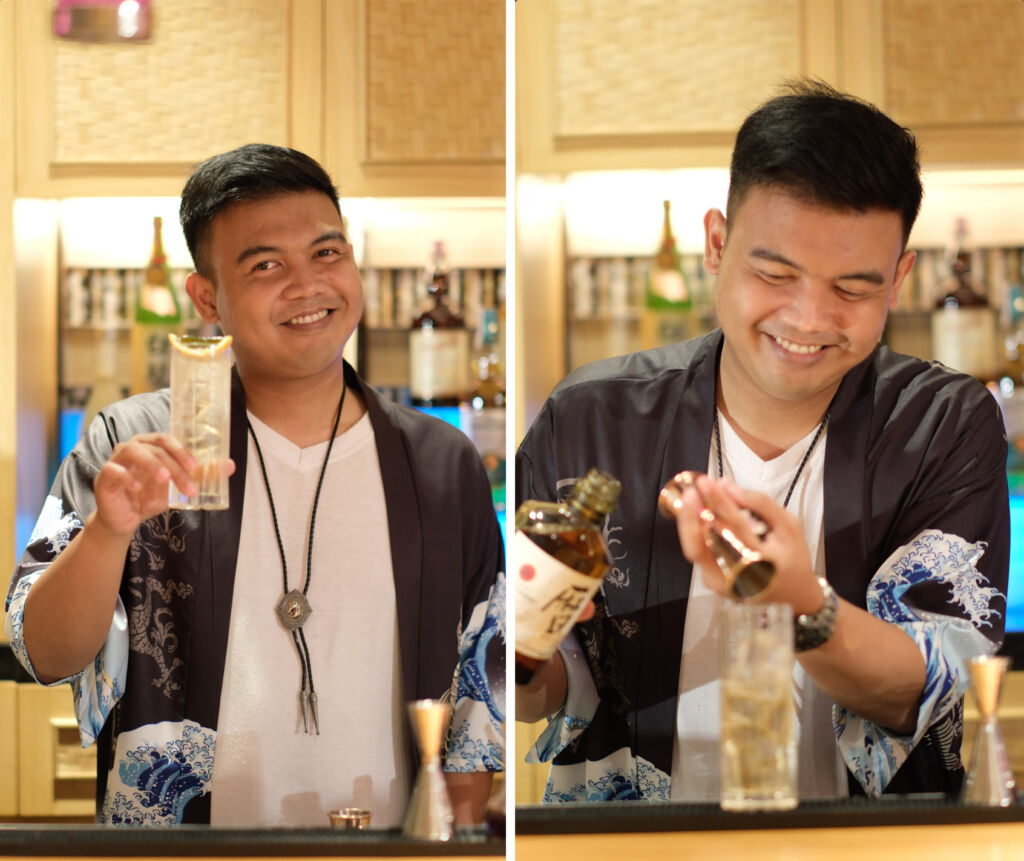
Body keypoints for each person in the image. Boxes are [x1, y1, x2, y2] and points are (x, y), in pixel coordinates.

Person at [515, 80, 1009, 803]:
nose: (808, 317)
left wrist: (801, 602)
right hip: (632, 847)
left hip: (867, 850)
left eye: (852, 288)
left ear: (900, 277)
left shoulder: (942, 424)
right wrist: (521, 651)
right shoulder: (591, 418)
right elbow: (543, 688)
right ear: (716, 243)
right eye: (775, 273)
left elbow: (925, 685)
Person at [4, 144, 505, 826]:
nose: (308, 284)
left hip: (391, 842)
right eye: (266, 264)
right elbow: (40, 651)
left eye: (327, 253)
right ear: (207, 296)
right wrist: (109, 531)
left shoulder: (441, 463)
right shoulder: (133, 443)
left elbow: (481, 698)